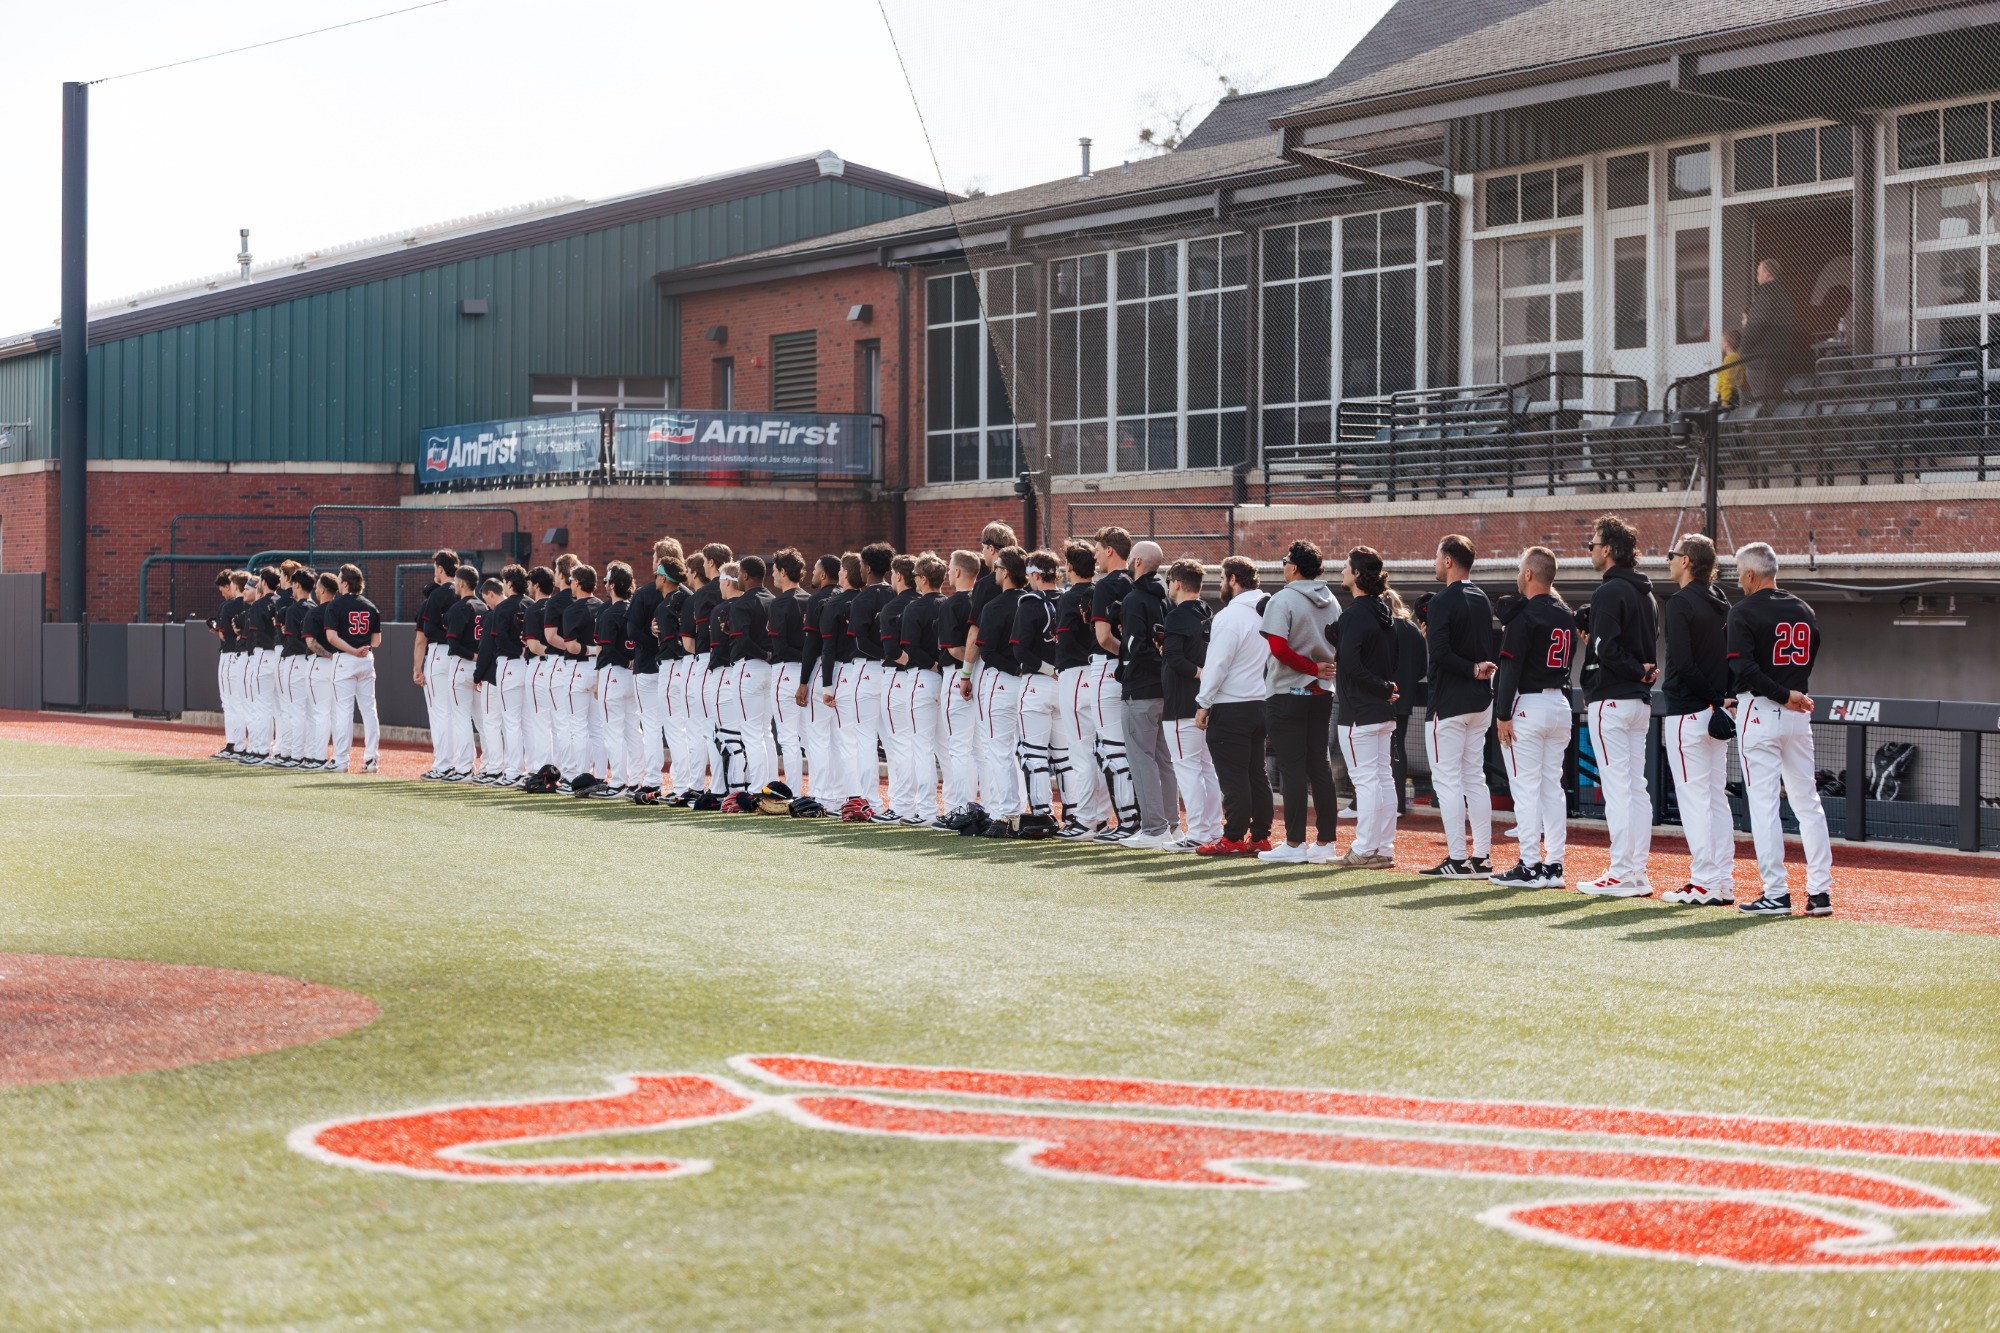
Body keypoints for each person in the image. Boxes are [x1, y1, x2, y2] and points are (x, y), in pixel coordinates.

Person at [1728, 542, 1834, 917]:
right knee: (1809, 804)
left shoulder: (1743, 611)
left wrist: (1781, 693)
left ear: (1752, 574)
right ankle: (1820, 893)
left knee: (1764, 807)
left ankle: (1776, 893)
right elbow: (1809, 657)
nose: (1739, 580)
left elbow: (1744, 671)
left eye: (1740, 573)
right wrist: (1792, 692)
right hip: (1797, 714)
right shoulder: (1803, 608)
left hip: (1762, 711)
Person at [1578, 515, 1660, 897]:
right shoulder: (1648, 594)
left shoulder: (1609, 592)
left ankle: (1622, 872)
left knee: (1618, 790)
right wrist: (1640, 674)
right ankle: (1636, 872)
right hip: (1637, 704)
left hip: (1611, 700)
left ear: (1608, 549)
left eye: (1592, 544)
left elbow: (1605, 648)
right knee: (1636, 788)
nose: (1590, 550)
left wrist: (1632, 671)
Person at [1489, 547, 1576, 889]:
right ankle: (1554, 865)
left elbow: (1511, 666)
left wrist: (1502, 714)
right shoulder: (1565, 614)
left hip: (1528, 705)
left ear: (1528, 574)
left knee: (1526, 789)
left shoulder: (1523, 616)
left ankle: (1528, 865)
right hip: (1559, 704)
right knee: (1551, 789)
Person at [1659, 534, 1737, 907]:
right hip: (1714, 714)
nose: (1669, 560)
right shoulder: (1722, 601)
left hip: (1689, 712)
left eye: (1673, 555)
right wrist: (1720, 700)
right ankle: (1722, 881)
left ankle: (1704, 881)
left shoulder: (1679, 603)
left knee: (1695, 801)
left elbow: (1684, 665)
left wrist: (1712, 698)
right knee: (1715, 800)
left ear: (1687, 561)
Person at [1258, 540, 1341, 864]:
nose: (1282, 566)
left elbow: (1277, 648)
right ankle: (1325, 842)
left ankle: (1294, 844)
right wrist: (1318, 669)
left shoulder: (1283, 598)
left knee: (1292, 768)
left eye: (1284, 561)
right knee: (1319, 767)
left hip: (1289, 691)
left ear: (1293, 566)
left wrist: (1308, 667)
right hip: (1322, 691)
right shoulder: (1331, 599)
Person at [1421, 534, 1497, 878]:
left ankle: (1456, 859)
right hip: (1480, 701)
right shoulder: (1482, 597)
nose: (1435, 562)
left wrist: (1468, 668)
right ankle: (1481, 858)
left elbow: (1438, 653)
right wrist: (1475, 669)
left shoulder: (1441, 601)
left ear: (1449, 560)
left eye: (1438, 556)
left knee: (1448, 781)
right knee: (1474, 779)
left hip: (1449, 702)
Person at [1194, 556, 1273, 856]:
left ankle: (1234, 836)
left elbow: (1217, 664)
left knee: (1234, 775)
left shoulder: (1229, 616)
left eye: (1222, 578)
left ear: (1234, 580)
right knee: (1256, 773)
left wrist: (1203, 702)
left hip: (1231, 706)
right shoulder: (1267, 611)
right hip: (1260, 702)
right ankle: (1260, 836)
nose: (1219, 584)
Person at [1333, 548, 1401, 869]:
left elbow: (1350, 666)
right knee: (1382, 778)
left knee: (1367, 781)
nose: (1343, 571)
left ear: (1358, 574)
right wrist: (1385, 688)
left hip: (1359, 711)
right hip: (1380, 709)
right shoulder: (1383, 611)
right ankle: (1383, 848)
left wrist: (1382, 687)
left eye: (1347, 567)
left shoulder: (1355, 614)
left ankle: (1364, 849)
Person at [1118, 541, 1181, 851]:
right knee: (1165, 761)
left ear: (1138, 561)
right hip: (1165, 691)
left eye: (1131, 558)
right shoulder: (1168, 600)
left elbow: (1135, 647)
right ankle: (1172, 826)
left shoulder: (1133, 599)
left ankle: (1155, 829)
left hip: (1141, 690)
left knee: (1142, 760)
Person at [1160, 557, 1222, 854]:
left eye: (1171, 580)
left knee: (1188, 769)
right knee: (1206, 768)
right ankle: (1211, 830)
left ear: (1178, 583)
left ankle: (1198, 833)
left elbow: (1174, 658)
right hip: (1206, 701)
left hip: (1182, 702)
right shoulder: (1208, 611)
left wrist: (1200, 672)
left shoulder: (1177, 615)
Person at [968, 545, 1028, 834]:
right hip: (1031, 682)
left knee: (999, 750)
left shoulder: (994, 606)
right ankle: (1028, 810)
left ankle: (1006, 812)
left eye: (998, 568)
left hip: (1001, 681)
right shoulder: (1034, 601)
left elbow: (988, 653)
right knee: (1029, 752)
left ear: (1006, 573)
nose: (994, 573)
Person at [1051, 541, 1108, 836]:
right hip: (1102, 673)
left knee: (1081, 753)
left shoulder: (1068, 597)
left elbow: (1062, 642)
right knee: (1104, 751)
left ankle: (1086, 820)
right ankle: (1099, 817)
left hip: (1075, 675)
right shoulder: (1101, 591)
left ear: (1070, 567)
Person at [1087, 527, 1141, 841]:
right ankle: (1140, 819)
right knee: (1137, 750)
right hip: (1136, 673)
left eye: (1098, 548)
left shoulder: (1105, 585)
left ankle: (1127, 822)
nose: (1095, 554)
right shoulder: (1138, 581)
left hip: (1108, 669)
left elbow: (1104, 638)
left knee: (1111, 750)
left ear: (1109, 550)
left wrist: (1129, 653)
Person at [1011, 549, 1069, 836]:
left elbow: (1019, 648)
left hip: (1038, 683)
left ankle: (1043, 815)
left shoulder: (1030, 603)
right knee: (1065, 757)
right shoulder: (1069, 598)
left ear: (1035, 575)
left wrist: (1047, 668)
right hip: (1068, 684)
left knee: (1033, 754)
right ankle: (1074, 816)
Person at [844, 543, 897, 817]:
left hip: (867, 670)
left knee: (865, 739)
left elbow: (862, 643)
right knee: (892, 739)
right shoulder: (897, 594)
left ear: (865, 567)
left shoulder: (862, 599)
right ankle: (900, 804)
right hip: (892, 673)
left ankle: (870, 802)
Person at [932, 550, 984, 826]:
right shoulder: (984, 597)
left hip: (958, 676)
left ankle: (960, 809)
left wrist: (968, 664)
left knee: (959, 748)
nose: (949, 571)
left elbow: (952, 648)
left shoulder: (951, 604)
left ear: (959, 572)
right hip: (983, 676)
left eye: (951, 567)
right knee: (978, 747)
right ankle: (982, 807)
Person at [895, 553, 948, 825]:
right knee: (946, 747)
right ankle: (953, 810)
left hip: (923, 677)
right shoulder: (948, 604)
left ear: (924, 579)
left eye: (916, 576)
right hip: (947, 679)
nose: (914, 580)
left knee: (922, 747)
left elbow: (909, 648)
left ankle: (927, 812)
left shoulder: (914, 608)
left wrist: (932, 664)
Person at [719, 554, 777, 798]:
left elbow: (743, 640)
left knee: (751, 733)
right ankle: (772, 787)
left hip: (749, 667)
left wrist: (763, 654)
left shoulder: (742, 603)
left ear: (744, 575)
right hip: (770, 670)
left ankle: (756, 789)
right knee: (765, 732)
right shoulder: (773, 599)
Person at [629, 539, 677, 800]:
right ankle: (682, 783)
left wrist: (652, 643)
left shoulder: (645, 593)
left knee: (651, 727)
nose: (651, 560)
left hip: (649, 666)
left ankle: (653, 780)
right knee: (677, 728)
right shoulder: (686, 594)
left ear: (661, 560)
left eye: (654, 555)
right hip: (677, 668)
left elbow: (633, 630)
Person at [323, 563, 382, 774]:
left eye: (339, 578)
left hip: (346, 659)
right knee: (369, 710)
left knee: (344, 712)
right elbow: (376, 641)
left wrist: (352, 650)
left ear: (346, 583)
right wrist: (359, 649)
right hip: (366, 659)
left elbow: (331, 638)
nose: (337, 581)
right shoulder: (370, 606)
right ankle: (371, 759)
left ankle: (341, 760)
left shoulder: (335, 605)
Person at [820, 553, 866, 816]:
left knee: (845, 739)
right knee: (867, 740)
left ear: (845, 575)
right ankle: (863, 796)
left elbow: (828, 648)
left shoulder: (834, 603)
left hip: (843, 672)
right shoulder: (870, 598)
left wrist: (827, 686)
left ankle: (850, 797)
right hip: (875, 673)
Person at [795, 554, 842, 805]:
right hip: (847, 671)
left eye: (815, 569)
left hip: (824, 670)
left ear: (823, 575)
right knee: (840, 737)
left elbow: (812, 643)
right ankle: (842, 794)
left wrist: (803, 681)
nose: (812, 573)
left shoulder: (818, 599)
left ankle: (822, 794)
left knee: (819, 737)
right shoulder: (847, 595)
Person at [876, 554, 921, 821]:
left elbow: (891, 650)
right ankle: (919, 805)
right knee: (918, 745)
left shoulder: (893, 607)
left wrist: (909, 660)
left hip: (897, 677)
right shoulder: (928, 602)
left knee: (897, 745)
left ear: (900, 577)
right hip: (926, 677)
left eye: (894, 574)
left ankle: (903, 805)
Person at [687, 543, 734, 797]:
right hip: (737, 663)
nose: (703, 565)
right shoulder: (737, 590)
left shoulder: (705, 593)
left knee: (709, 729)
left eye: (705, 561)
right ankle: (736, 786)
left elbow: (699, 636)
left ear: (712, 563)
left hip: (708, 661)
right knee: (736, 730)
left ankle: (718, 788)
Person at [553, 563, 604, 787]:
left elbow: (572, 646)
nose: (571, 583)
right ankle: (600, 775)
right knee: (597, 727)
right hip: (599, 669)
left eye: (573, 580)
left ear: (579, 583)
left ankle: (580, 776)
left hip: (578, 668)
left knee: (577, 726)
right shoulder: (602, 606)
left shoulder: (573, 609)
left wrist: (590, 650)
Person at [594, 561, 641, 798]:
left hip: (614, 672)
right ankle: (635, 782)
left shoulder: (610, 611)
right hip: (634, 675)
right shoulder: (636, 608)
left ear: (612, 585)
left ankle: (619, 782)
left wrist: (624, 662)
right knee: (633, 730)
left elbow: (607, 648)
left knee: (613, 731)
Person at [412, 549, 461, 779]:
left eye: (435, 568)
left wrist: (417, 668)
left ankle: (443, 765)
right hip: (462, 657)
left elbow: (423, 635)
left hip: (440, 655)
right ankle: (463, 766)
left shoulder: (438, 595)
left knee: (440, 713)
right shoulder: (465, 591)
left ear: (440, 570)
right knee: (459, 714)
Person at [768, 548, 812, 796]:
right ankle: (818, 792)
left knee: (788, 739)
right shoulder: (811, 599)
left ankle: (793, 792)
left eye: (774, 570)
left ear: (783, 572)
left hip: (785, 671)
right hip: (809, 673)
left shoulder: (779, 603)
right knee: (810, 739)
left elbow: (780, 646)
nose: (773, 575)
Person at [437, 565, 483, 781]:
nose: (454, 585)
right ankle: (491, 767)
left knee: (461, 718)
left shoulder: (458, 608)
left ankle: (464, 768)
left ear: (462, 583)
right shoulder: (484, 607)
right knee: (483, 720)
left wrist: (473, 657)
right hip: (480, 669)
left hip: (462, 666)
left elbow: (454, 646)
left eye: (456, 581)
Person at [1385, 590, 1427, 815]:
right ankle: (1399, 804)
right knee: (1398, 747)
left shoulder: (1386, 626)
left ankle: (1384, 804)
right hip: (1405, 695)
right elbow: (1422, 667)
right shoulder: (1412, 628)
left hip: (1383, 695)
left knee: (1379, 752)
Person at [239, 568, 282, 764]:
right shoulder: (281, 602)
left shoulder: (259, 605)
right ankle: (279, 749)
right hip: (280, 656)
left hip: (263, 655)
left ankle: (261, 749)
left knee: (261, 706)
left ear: (263, 582)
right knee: (279, 708)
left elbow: (252, 636)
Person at [276, 567, 318, 767]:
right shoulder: (315, 607)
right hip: (312, 661)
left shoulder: (293, 609)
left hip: (294, 660)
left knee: (295, 711)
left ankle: (294, 755)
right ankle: (308, 754)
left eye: (293, 583)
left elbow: (289, 635)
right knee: (309, 711)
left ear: (298, 585)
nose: (292, 587)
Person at [299, 571, 340, 771]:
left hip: (320, 664)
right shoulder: (341, 610)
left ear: (323, 590)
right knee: (336, 713)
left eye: (317, 588)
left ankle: (317, 756)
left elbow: (311, 642)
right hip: (341, 665)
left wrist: (328, 655)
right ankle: (339, 758)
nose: (315, 590)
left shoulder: (314, 612)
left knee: (319, 713)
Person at [1739, 258, 1795, 405]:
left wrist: (1743, 349)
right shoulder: (1786, 298)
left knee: (1764, 403)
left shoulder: (1765, 297)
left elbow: (1755, 328)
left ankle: (1767, 426)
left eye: (1759, 273)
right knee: (1775, 400)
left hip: (1761, 361)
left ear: (1768, 275)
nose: (1757, 277)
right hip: (1779, 358)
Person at [522, 566, 559, 779]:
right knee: (558, 722)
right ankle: (559, 768)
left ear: (536, 585)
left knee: (540, 721)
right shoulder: (560, 605)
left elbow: (534, 647)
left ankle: (541, 769)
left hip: (539, 666)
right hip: (561, 667)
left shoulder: (533, 609)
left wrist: (551, 651)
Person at [207, 571, 246, 761]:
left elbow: (223, 635)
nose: (223, 593)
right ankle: (249, 746)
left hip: (230, 655)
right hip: (248, 656)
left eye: (223, 588)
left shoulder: (228, 606)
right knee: (248, 704)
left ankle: (234, 744)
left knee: (231, 703)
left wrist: (217, 629)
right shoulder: (252, 604)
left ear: (232, 585)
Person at [1715, 328, 1747, 409]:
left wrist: (1724, 402)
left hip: (1727, 396)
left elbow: (1727, 381)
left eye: (1722, 342)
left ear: (1727, 343)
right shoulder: (1738, 357)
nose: (1720, 345)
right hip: (1735, 394)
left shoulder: (1729, 359)